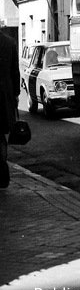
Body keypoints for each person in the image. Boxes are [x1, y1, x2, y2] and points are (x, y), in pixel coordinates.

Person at [0, 27, 20, 188]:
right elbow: (15, 72)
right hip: (4, 98)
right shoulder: (10, 42)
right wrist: (15, 94)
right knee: (1, 137)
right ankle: (3, 174)